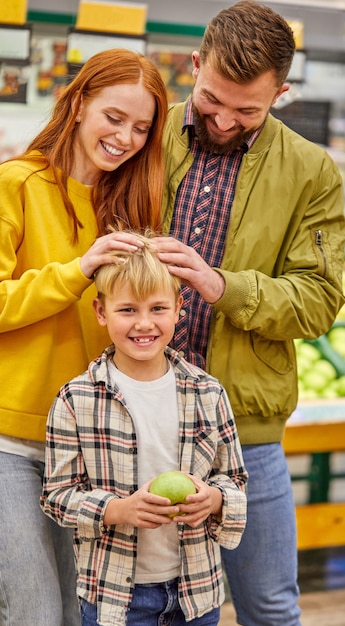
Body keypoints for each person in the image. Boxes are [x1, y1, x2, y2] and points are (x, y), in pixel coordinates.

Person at [155, 2, 345, 624]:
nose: (226, 119)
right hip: (130, 415)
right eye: (213, 98)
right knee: (138, 602)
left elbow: (318, 301)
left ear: (282, 93)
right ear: (194, 66)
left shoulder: (311, 171)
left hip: (243, 428)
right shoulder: (145, 134)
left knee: (267, 604)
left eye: (249, 110)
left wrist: (221, 285)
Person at [0, 49, 168, 625]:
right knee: (35, 613)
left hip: (89, 451)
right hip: (9, 443)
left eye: (141, 128)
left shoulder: (127, 208)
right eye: (113, 117)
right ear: (77, 104)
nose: (125, 137)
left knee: (83, 615)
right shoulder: (16, 184)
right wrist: (77, 271)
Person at [40, 231, 248, 626]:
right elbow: (56, 497)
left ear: (178, 309)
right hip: (116, 597)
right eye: (127, 310)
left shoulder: (207, 391)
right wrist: (120, 510)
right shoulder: (76, 399)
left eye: (157, 308)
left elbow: (235, 479)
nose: (144, 324)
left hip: (196, 591)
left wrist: (214, 500)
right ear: (101, 312)